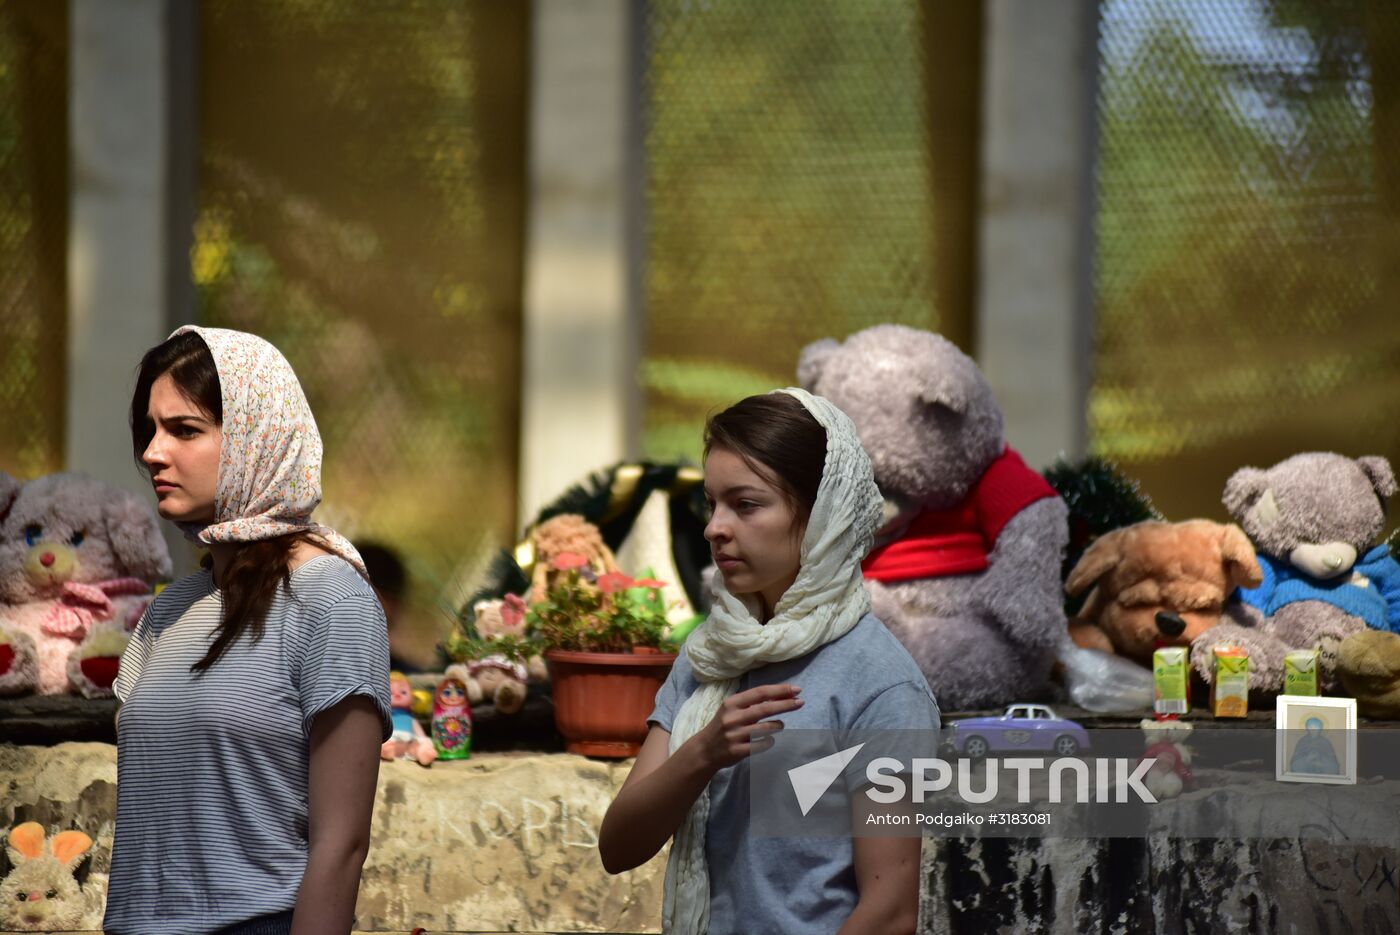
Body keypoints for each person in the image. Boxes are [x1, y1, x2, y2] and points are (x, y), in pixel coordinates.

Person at [598, 388, 939, 935]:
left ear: (822, 513)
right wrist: (701, 753)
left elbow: (890, 914)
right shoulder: (712, 653)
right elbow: (618, 848)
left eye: (746, 504)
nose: (715, 528)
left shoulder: (882, 685)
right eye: (711, 503)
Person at [105, 327, 392, 935]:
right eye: (150, 430)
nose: (153, 452)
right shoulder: (169, 609)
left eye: (184, 430)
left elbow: (341, 847)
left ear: (256, 439)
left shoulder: (331, 597)